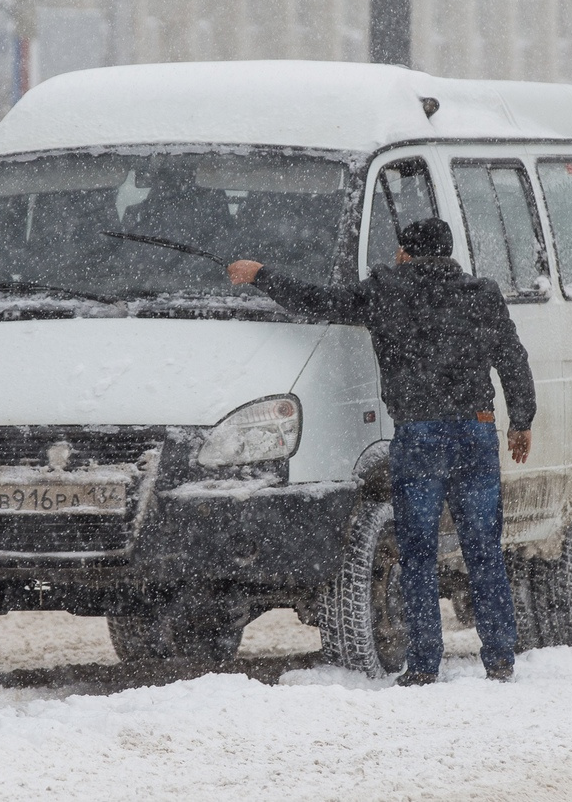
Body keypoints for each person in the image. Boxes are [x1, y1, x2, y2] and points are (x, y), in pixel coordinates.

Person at [227, 217, 536, 685]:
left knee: (417, 553)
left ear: (408, 253)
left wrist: (261, 275)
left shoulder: (386, 292)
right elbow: (513, 358)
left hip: (419, 436)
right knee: (483, 548)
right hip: (476, 431)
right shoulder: (481, 294)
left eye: (399, 251)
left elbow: (318, 303)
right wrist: (522, 420)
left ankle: (425, 664)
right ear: (449, 253)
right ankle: (499, 658)